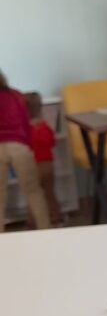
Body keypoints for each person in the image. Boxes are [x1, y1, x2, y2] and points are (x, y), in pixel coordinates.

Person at [0, 70, 50, 231]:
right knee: (33, 192)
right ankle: (45, 229)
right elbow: (25, 122)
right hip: (19, 146)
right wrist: (29, 145)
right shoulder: (15, 95)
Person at [24, 92, 62, 227]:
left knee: (34, 196)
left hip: (34, 166)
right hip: (48, 166)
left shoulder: (26, 130)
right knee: (50, 193)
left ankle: (32, 221)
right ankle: (57, 217)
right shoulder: (45, 127)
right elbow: (52, 143)